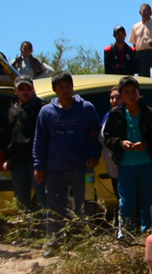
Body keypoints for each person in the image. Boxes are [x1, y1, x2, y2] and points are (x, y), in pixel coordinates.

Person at [32, 72, 101, 256]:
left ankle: (87, 242)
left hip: (81, 167)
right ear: (55, 90)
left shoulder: (86, 108)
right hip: (54, 168)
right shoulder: (46, 112)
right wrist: (38, 165)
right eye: (61, 87)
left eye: (68, 86)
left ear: (72, 87)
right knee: (54, 207)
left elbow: (96, 135)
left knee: (84, 205)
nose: (65, 90)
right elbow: (40, 141)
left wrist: (94, 155)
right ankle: (54, 243)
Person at [102, 75, 152, 240]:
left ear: (138, 93)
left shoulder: (148, 112)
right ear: (121, 94)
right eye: (126, 92)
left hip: (146, 163)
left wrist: (147, 144)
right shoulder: (116, 114)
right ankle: (125, 234)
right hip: (125, 164)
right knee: (126, 202)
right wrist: (121, 143)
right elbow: (108, 138)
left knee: (147, 202)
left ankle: (147, 233)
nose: (130, 95)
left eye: (133, 91)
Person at [3, 76, 46, 212]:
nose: (25, 92)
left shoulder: (42, 108)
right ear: (16, 91)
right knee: (22, 204)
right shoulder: (12, 111)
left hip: (37, 162)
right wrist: (7, 159)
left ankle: (51, 231)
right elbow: (7, 138)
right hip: (18, 164)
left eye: (28, 88)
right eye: (21, 89)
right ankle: (30, 231)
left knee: (45, 200)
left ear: (33, 89)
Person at [129, 4, 152, 77]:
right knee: (143, 76)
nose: (146, 13)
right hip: (141, 54)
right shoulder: (135, 27)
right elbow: (134, 44)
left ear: (151, 13)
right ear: (140, 12)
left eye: (148, 11)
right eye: (144, 11)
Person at [98, 86, 122, 182]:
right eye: (112, 98)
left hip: (125, 169)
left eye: (118, 98)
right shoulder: (108, 116)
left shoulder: (127, 116)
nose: (114, 101)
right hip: (113, 170)